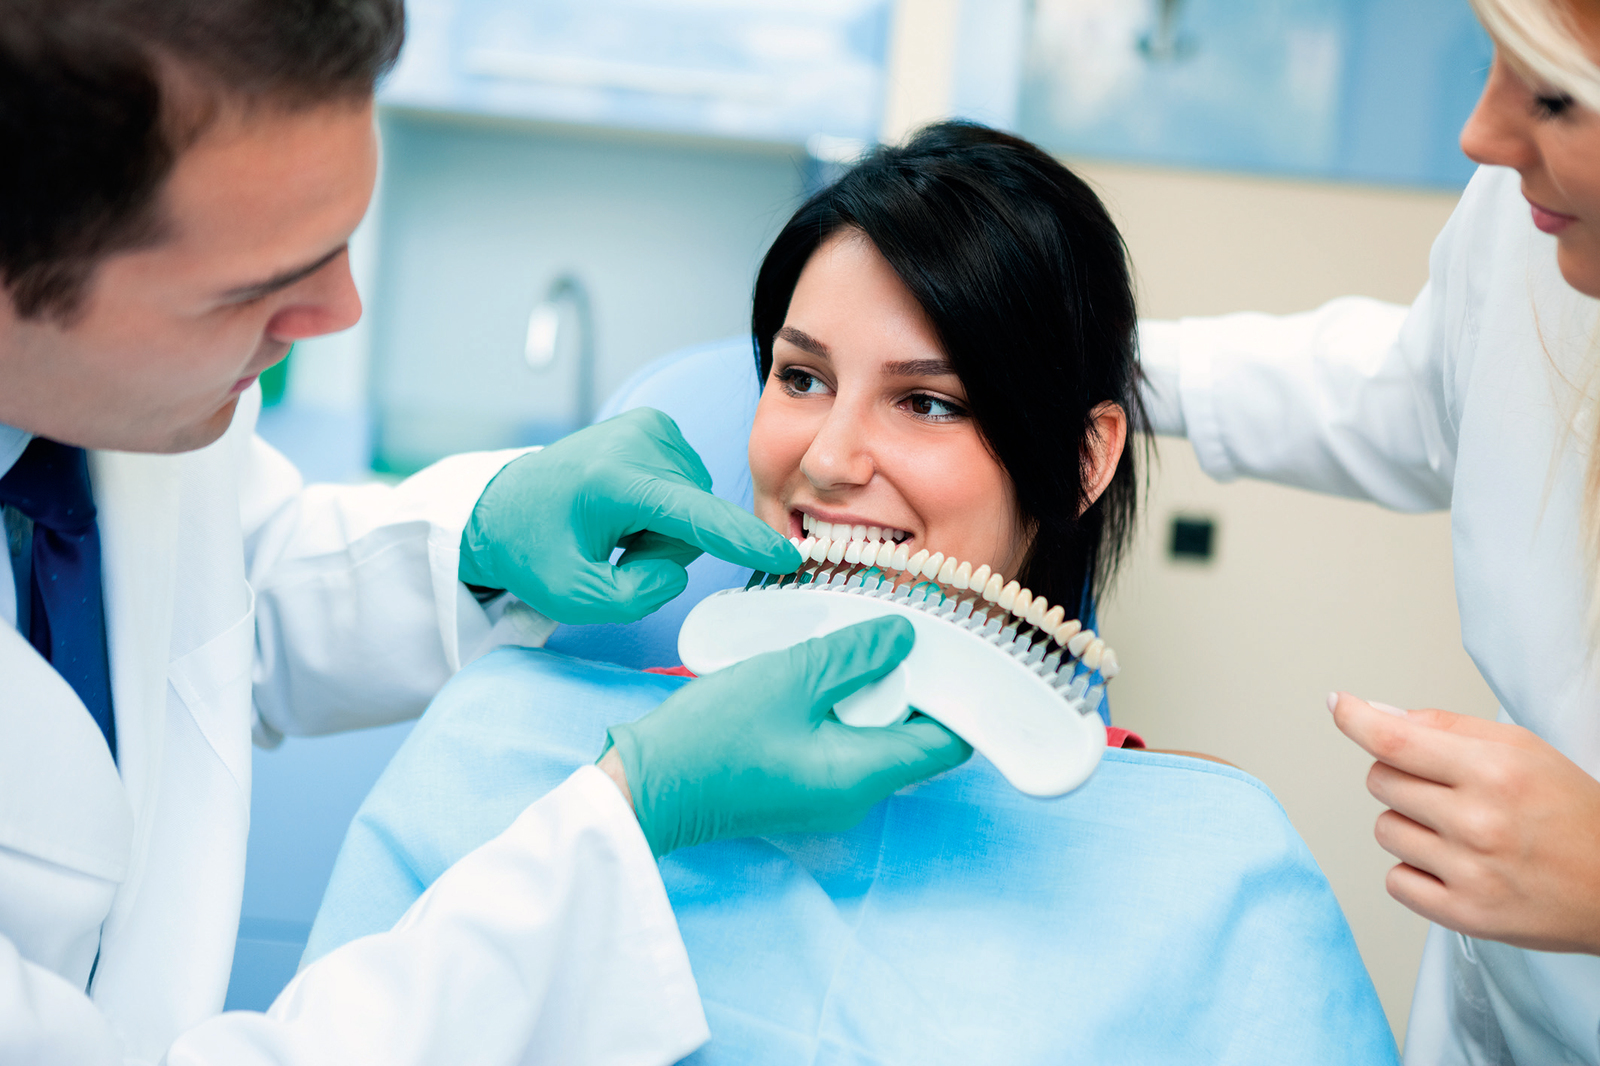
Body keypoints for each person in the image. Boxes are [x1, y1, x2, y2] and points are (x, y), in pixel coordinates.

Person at [0, 3, 971, 1063]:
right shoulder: (488, 765)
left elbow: (214, 587)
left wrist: (476, 537)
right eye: (253, 289)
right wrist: (623, 820)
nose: (341, 309)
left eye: (336, 243)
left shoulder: (108, 408)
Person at [305, 124, 1397, 1064]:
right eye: (801, 377)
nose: (828, 457)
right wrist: (629, 806)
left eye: (926, 403)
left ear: (1081, 459)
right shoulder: (503, 746)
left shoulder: (1214, 873)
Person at [1135, 0, 1600, 1059]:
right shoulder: (1530, 221)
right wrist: (1093, 365)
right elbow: (1427, 393)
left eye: (1554, 97)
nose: (1479, 138)